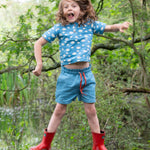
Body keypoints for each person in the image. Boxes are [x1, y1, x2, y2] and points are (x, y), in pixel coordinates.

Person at [30, 0, 131, 150]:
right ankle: (45, 144)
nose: (69, 9)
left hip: (86, 76)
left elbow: (107, 27)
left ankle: (98, 145)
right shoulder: (59, 28)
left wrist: (119, 26)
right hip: (67, 76)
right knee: (59, 109)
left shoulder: (89, 24)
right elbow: (38, 43)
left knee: (91, 110)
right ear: (62, 11)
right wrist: (39, 64)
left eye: (73, 6)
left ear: (82, 10)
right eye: (66, 7)